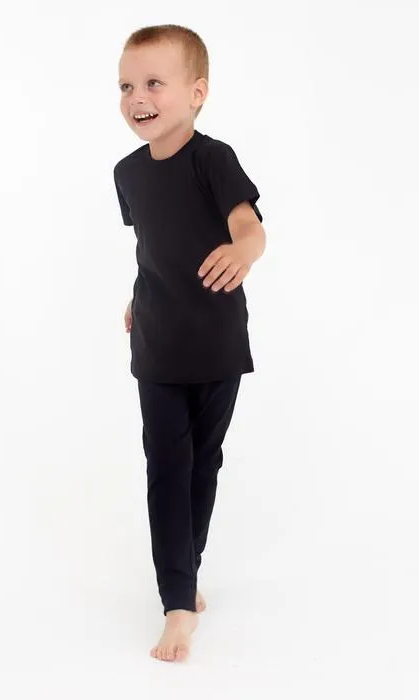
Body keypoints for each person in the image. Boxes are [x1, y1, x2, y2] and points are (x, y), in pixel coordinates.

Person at [113, 24, 266, 663]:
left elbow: (248, 226)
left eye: (153, 83)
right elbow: (152, 246)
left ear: (197, 92)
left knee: (204, 463)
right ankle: (177, 603)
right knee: (166, 468)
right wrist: (137, 295)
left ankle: (187, 568)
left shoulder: (213, 159)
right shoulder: (127, 173)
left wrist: (245, 251)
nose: (137, 97)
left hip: (216, 343)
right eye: (126, 86)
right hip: (156, 342)